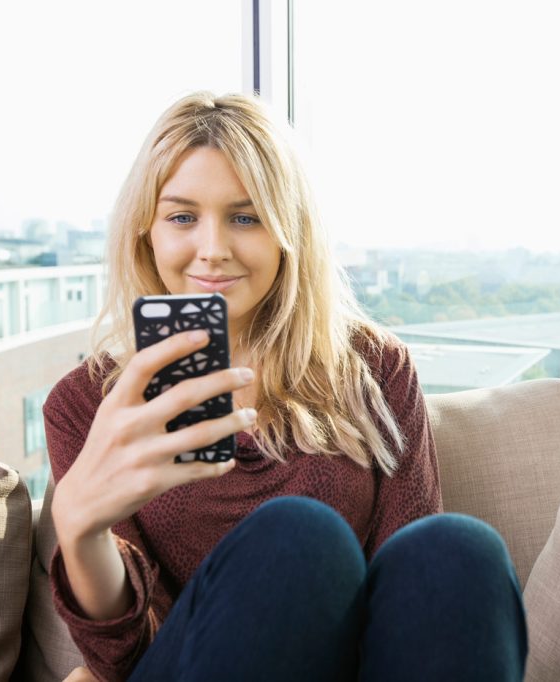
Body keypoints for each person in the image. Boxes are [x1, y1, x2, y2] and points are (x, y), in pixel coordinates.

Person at [45, 91, 528, 682]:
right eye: (181, 216)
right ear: (146, 228)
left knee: (458, 549)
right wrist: (82, 528)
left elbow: (412, 594)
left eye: (245, 218)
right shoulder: (85, 404)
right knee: (299, 537)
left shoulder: (373, 370)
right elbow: (119, 658)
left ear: (286, 231)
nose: (213, 249)